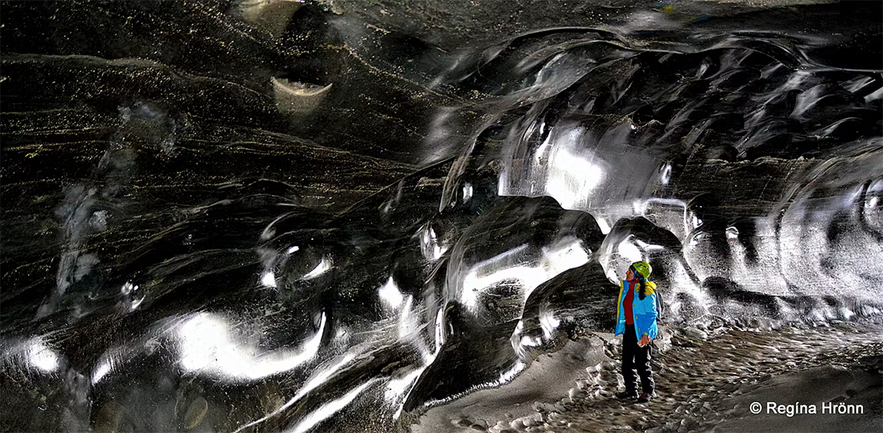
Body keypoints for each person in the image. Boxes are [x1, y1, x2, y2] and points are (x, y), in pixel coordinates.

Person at [613, 261, 658, 403]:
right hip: (630, 329)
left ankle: (648, 391)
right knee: (626, 362)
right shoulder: (627, 288)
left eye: (630, 272)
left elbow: (651, 315)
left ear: (638, 275)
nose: (626, 273)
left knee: (642, 362)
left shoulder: (647, 291)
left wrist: (646, 334)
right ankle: (631, 390)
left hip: (642, 331)